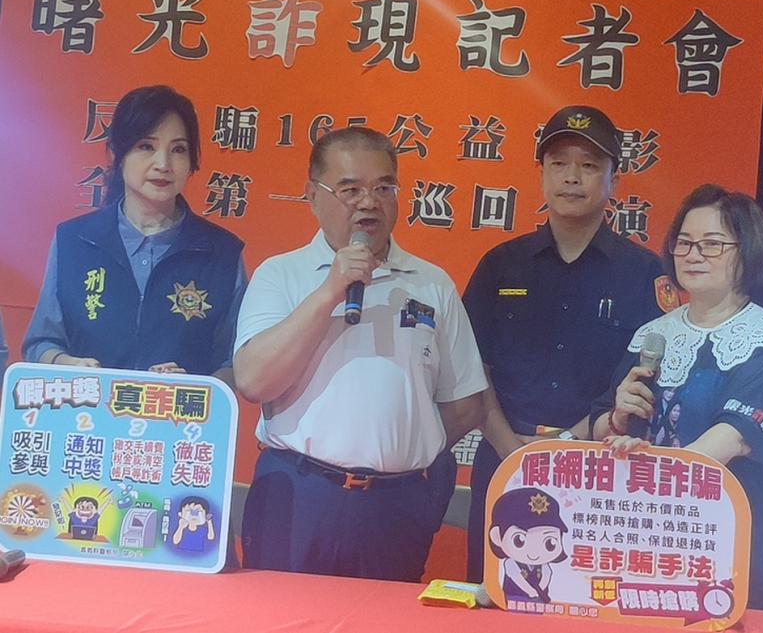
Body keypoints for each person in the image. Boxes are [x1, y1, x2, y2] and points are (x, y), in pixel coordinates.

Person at [234, 126, 487, 582]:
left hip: (396, 505)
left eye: (383, 188)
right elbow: (253, 381)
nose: (368, 203)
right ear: (313, 196)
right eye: (350, 190)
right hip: (299, 494)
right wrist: (330, 290)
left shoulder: (432, 284)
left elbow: (466, 402)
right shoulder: (281, 274)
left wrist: (405, 447)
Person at [463, 105, 668, 582]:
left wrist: (568, 445)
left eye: (589, 165)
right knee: (495, 593)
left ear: (614, 180)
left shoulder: (644, 274)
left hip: (601, 468)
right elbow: (471, 371)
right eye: (558, 163)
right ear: (542, 174)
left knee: (586, 597)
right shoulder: (500, 265)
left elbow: (645, 381)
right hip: (503, 458)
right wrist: (512, 451)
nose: (571, 177)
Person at [591, 183, 763, 610]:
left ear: (748, 252)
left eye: (712, 244)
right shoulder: (653, 335)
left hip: (724, 546)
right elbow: (599, 428)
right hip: (636, 537)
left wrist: (646, 463)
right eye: (684, 243)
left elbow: (728, 441)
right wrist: (617, 418)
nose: (692, 255)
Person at [22, 85, 245, 382]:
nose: (163, 165)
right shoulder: (75, 240)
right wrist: (68, 363)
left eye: (178, 149)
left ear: (192, 162)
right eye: (146, 146)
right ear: (118, 153)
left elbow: (235, 361)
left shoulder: (221, 252)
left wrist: (195, 385)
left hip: (177, 412)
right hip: (89, 410)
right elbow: (41, 343)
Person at [488, 488, 569, 603]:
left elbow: (547, 575)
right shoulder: (510, 563)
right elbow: (517, 578)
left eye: (550, 543)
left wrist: (540, 589)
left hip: (540, 600)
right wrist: (531, 591)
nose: (534, 553)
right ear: (497, 536)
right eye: (519, 540)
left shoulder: (543, 565)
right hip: (515, 598)